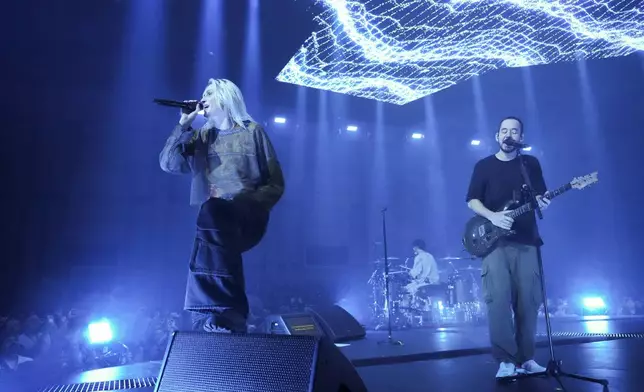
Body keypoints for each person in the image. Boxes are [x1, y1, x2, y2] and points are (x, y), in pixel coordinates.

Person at [160, 78, 285, 333]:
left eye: (208, 93)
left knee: (211, 215)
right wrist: (182, 125)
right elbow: (169, 164)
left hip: (247, 215)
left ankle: (221, 311)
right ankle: (224, 315)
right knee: (209, 230)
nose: (201, 98)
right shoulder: (201, 136)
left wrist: (249, 201)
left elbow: (275, 183)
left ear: (225, 98)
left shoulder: (253, 131)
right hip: (213, 221)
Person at [466, 116, 551, 378]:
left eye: (514, 131)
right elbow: (472, 200)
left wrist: (544, 202)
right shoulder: (484, 166)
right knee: (498, 301)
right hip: (495, 244)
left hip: (526, 240)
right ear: (497, 136)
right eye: (504, 130)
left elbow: (540, 195)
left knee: (529, 300)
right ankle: (505, 360)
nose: (508, 135)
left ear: (521, 138)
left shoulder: (530, 164)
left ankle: (526, 358)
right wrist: (493, 216)